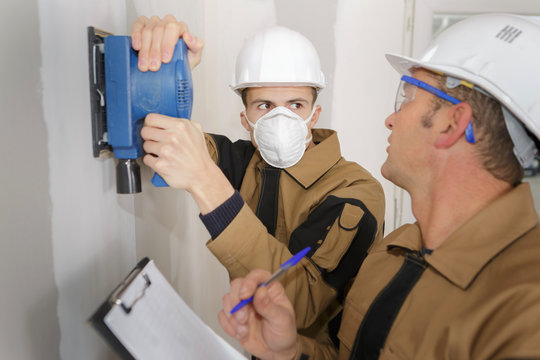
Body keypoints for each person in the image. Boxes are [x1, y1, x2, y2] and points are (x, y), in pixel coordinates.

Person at [218, 13, 540, 359]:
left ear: (452, 124)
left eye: (409, 96)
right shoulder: (390, 255)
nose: (390, 118)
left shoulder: (523, 310)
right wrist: (291, 352)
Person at [133, 15, 386, 341]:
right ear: (246, 119)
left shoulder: (355, 192)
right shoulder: (241, 162)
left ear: (314, 116)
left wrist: (205, 181)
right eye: (264, 105)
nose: (280, 118)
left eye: (295, 104)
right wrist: (170, 70)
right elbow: (165, 143)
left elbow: (299, 304)